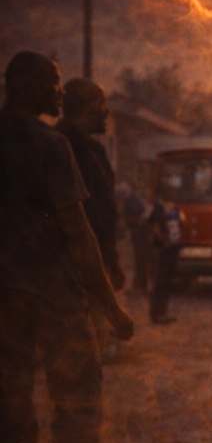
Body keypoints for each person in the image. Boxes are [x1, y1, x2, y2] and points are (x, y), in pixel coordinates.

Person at [0, 52, 134, 443]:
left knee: (11, 413)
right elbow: (79, 234)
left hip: (5, 305)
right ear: (29, 85)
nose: (58, 94)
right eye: (53, 84)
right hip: (54, 299)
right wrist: (113, 308)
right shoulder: (49, 146)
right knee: (77, 405)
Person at [57, 78, 125, 355]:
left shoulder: (92, 149)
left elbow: (103, 214)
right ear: (84, 108)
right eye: (101, 104)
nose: (106, 112)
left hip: (93, 261)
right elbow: (86, 219)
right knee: (79, 353)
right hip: (73, 267)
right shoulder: (60, 147)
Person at [148, 190, 183, 324]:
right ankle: (156, 313)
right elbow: (150, 223)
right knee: (159, 281)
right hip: (162, 249)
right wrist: (161, 238)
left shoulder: (174, 208)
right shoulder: (156, 207)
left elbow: (181, 221)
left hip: (173, 248)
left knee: (168, 282)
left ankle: (164, 311)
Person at [124, 188, 154, 294]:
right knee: (142, 262)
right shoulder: (138, 202)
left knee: (141, 262)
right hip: (142, 236)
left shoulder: (133, 202)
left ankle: (140, 286)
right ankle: (141, 286)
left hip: (141, 237)